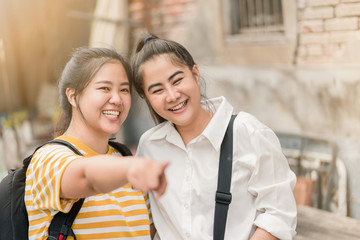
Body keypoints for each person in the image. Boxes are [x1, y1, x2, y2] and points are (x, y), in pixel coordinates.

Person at [131, 35, 297, 240]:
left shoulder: (248, 132)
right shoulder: (149, 145)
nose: (172, 95)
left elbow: (278, 214)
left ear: (195, 74)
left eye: (177, 80)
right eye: (157, 90)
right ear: (147, 98)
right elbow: (146, 220)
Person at [25, 47, 169, 240]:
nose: (117, 99)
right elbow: (86, 177)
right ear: (73, 96)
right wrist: (131, 168)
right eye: (104, 88)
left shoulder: (125, 159)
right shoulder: (48, 158)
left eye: (124, 89)